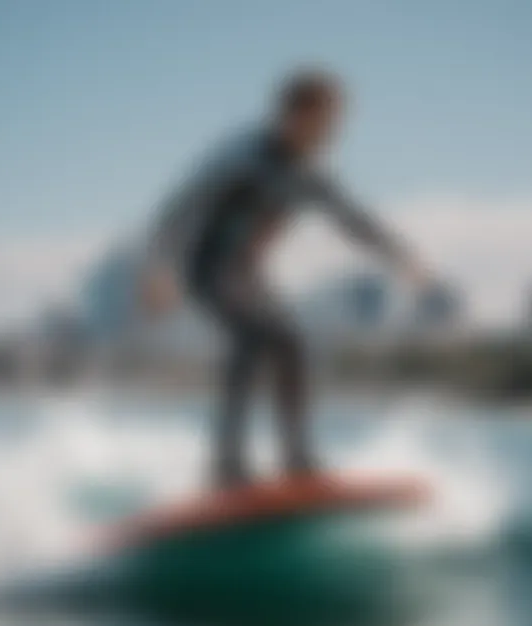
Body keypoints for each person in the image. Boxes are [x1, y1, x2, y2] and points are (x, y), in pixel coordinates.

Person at [141, 69, 425, 487]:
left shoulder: (310, 174)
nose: (331, 132)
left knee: (291, 343)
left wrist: (399, 254)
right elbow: (179, 207)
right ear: (292, 115)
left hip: (247, 275)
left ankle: (296, 459)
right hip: (207, 268)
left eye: (336, 123)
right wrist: (159, 268)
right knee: (254, 336)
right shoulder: (243, 156)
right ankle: (226, 464)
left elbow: (351, 219)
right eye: (324, 121)